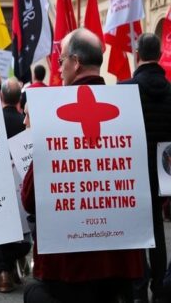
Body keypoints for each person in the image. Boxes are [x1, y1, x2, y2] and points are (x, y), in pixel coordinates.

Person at [22, 28, 144, 302]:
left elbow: (29, 199)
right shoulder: (128, 110)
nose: (58, 67)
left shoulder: (53, 114)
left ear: (75, 62)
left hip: (68, 269)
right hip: (118, 266)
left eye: (61, 59)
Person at [119, 33, 171, 303]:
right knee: (157, 227)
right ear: (160, 55)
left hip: (134, 171)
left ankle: (139, 289)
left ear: (137, 54)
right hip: (164, 172)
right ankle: (160, 288)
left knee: (137, 231)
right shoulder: (170, 90)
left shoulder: (125, 90)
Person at [0, 77, 30, 293]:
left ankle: (0, 272)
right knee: (17, 229)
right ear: (19, 98)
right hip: (21, 189)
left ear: (1, 95)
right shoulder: (25, 122)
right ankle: (7, 271)